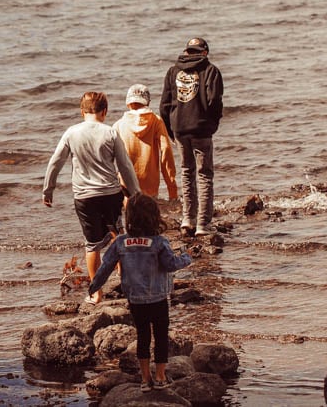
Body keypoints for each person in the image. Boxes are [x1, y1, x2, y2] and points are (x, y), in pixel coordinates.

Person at [88, 193, 192, 393]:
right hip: (158, 299)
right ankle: (161, 376)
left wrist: (95, 286)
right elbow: (171, 264)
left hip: (135, 300)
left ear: (129, 218)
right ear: (154, 217)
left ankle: (145, 379)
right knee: (161, 337)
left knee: (143, 336)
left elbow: (106, 267)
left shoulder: (120, 243)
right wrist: (186, 257)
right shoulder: (159, 242)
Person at [43, 91, 140, 304]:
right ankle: (125, 280)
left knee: (92, 244)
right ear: (104, 111)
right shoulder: (110, 132)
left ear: (82, 112)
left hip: (84, 197)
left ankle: (96, 292)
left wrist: (48, 189)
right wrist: (135, 194)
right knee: (117, 235)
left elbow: (55, 162)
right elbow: (125, 166)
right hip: (110, 193)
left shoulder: (71, 133)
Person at [159, 37, 224, 237]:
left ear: (187, 51)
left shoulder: (173, 71)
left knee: (187, 173)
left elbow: (165, 104)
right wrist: (211, 125)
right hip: (201, 129)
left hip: (180, 129)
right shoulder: (211, 70)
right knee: (204, 175)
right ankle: (203, 224)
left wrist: (171, 131)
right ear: (204, 53)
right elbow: (215, 101)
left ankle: (188, 219)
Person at [113, 83, 178, 202]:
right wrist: (172, 189)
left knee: (130, 217)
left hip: (126, 184)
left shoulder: (118, 125)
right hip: (150, 184)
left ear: (128, 103)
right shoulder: (156, 121)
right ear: (147, 102)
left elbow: (109, 158)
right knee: (149, 218)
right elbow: (166, 151)